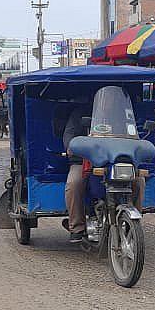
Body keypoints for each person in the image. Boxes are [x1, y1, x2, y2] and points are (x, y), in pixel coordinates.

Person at [62, 102, 91, 243]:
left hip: (113, 160)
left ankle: (131, 224)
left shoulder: (119, 113)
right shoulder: (80, 112)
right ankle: (77, 227)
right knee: (73, 184)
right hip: (84, 160)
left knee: (138, 180)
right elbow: (69, 133)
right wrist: (71, 145)